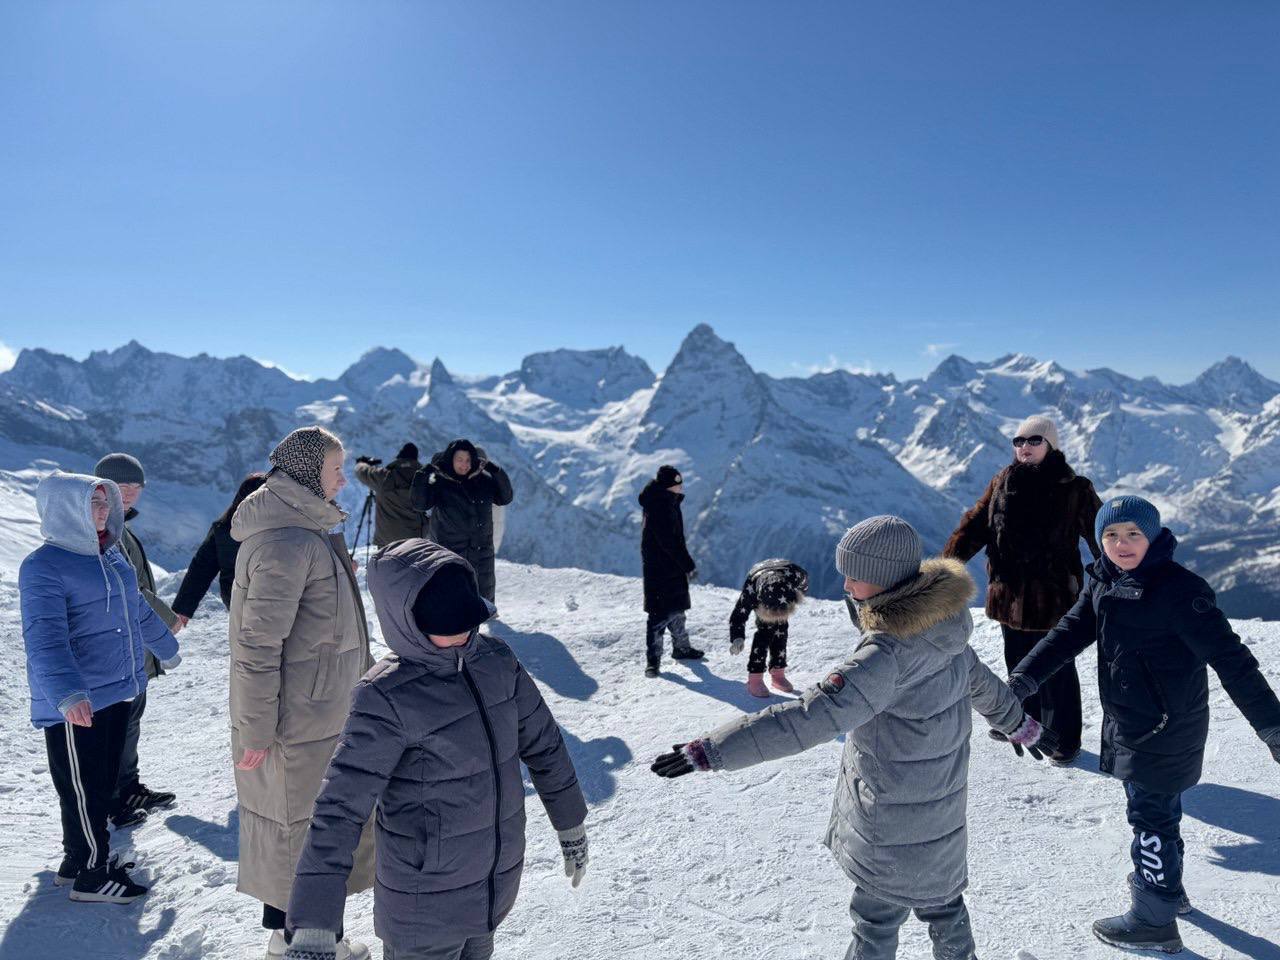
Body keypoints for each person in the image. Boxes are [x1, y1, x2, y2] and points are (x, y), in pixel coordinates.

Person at [652, 516, 1059, 960]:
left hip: (890, 817)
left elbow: (807, 718)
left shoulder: (885, 657)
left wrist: (711, 750)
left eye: (855, 575)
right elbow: (982, 684)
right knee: (941, 902)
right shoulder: (946, 628)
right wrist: (1018, 722)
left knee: (875, 919)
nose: (845, 584)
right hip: (939, 808)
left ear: (887, 581)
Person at [284, 539, 589, 960]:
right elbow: (340, 807)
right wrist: (315, 920)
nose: (464, 634)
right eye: (447, 626)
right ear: (405, 621)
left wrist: (570, 822)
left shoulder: (497, 663)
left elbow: (545, 745)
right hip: (421, 911)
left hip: (489, 893)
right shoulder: (385, 696)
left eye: (467, 620)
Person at [1007, 496, 1280, 953]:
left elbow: (1233, 660)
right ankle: (1166, 888)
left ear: (1152, 535)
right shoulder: (1104, 581)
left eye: (1133, 533)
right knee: (1157, 812)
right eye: (1110, 535)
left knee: (1149, 818)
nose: (1121, 544)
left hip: (1166, 727)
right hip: (1129, 723)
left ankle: (1153, 919)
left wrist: (1271, 726)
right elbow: (1068, 634)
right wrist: (1021, 682)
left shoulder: (1177, 590)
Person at [229, 426, 375, 959]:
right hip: (297, 721)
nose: (343, 479)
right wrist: (256, 729)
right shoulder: (288, 542)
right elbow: (256, 647)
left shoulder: (305, 531)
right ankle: (306, 944)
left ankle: (298, 937)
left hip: (319, 710)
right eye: (336, 469)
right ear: (310, 472)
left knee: (312, 829)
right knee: (305, 834)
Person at [19, 472, 180, 903]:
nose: (104, 510)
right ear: (64, 508)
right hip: (79, 700)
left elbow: (138, 611)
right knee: (83, 786)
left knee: (101, 784)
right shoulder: (43, 566)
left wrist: (165, 645)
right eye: (93, 504)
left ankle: (77, 861)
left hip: (115, 689)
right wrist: (68, 694)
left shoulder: (109, 556)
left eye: (104, 502)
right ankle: (93, 875)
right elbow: (44, 638)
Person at [944, 415, 1100, 764]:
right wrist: (946, 567)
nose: (1024, 447)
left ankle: (1064, 740)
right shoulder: (1002, 481)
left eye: (1033, 440)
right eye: (1018, 441)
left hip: (1054, 597)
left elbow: (1100, 534)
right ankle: (1019, 723)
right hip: (1009, 596)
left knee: (1056, 668)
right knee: (1016, 662)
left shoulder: (1074, 487)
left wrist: (1116, 575)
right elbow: (974, 527)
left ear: (1050, 445)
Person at [93, 452, 185, 828]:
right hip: (120, 641)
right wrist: (166, 621)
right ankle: (114, 798)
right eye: (122, 486)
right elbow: (128, 588)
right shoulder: (106, 530)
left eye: (137, 487)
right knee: (118, 723)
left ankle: (127, 787)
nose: (130, 494)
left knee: (131, 720)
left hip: (133, 639)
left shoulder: (120, 526)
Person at [410, 439, 513, 603]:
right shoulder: (440, 482)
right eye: (459, 459)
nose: (464, 465)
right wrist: (423, 475)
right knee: (453, 605)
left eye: (468, 460)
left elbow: (505, 497)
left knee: (480, 606)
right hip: (451, 554)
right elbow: (419, 504)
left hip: (481, 554)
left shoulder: (484, 481)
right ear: (451, 459)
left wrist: (496, 471)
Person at [171, 472, 267, 623]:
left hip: (237, 599)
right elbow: (201, 569)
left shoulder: (222, 528)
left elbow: (200, 570)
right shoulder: (282, 529)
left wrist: (182, 609)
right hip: (261, 600)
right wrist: (182, 609)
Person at [639, 465, 702, 677]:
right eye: (678, 484)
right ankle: (653, 661)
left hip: (669, 567)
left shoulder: (666, 502)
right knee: (658, 616)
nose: (681, 488)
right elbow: (669, 542)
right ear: (668, 486)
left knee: (676, 610)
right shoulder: (660, 506)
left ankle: (681, 648)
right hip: (661, 569)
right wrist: (688, 564)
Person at [728, 558, 808, 697]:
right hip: (761, 581)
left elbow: (803, 586)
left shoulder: (797, 575)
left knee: (781, 631)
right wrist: (737, 637)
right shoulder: (751, 590)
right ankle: (755, 678)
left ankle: (778, 673)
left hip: (784, 574)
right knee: (764, 634)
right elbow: (738, 615)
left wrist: (796, 596)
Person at [354, 443, 426, 548]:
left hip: (386, 542)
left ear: (399, 458)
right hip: (415, 541)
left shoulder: (385, 477)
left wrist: (362, 463)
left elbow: (362, 472)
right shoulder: (424, 479)